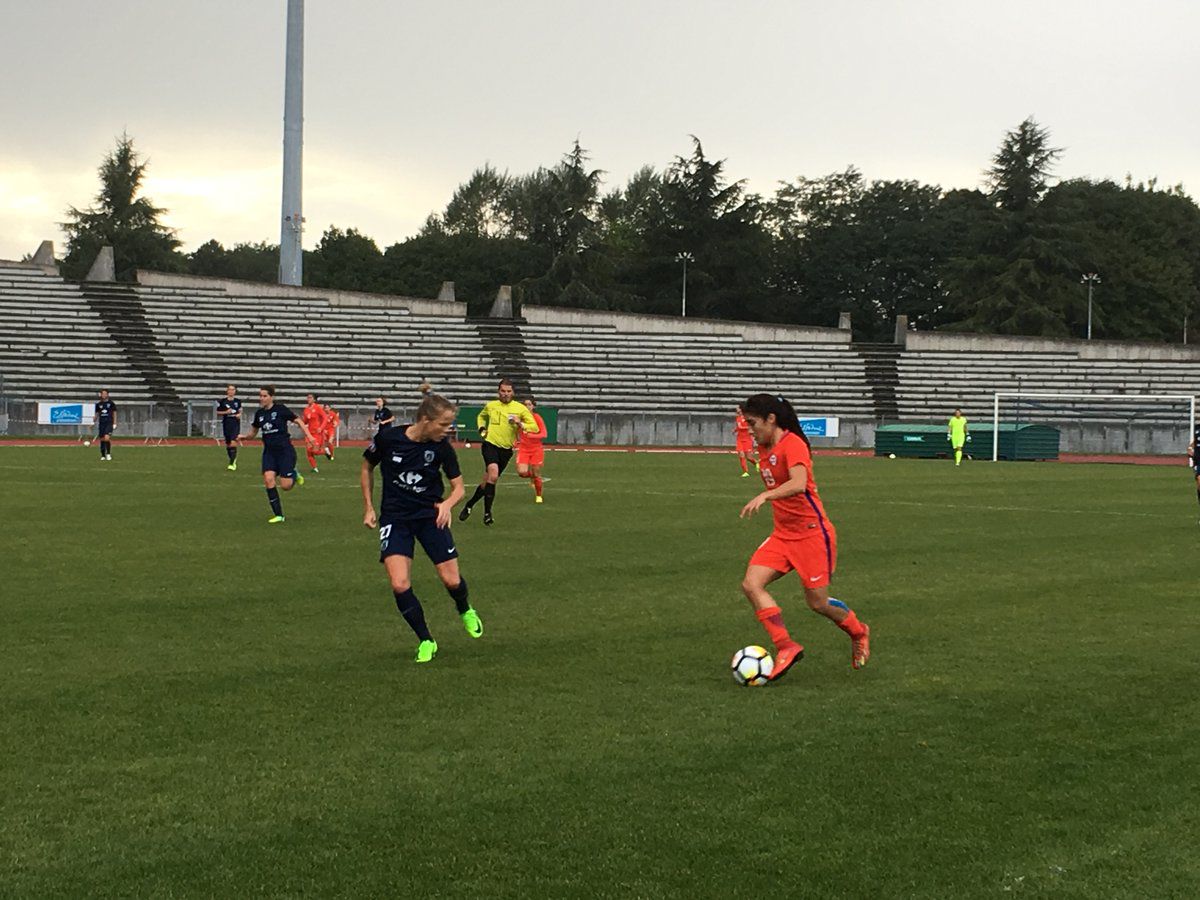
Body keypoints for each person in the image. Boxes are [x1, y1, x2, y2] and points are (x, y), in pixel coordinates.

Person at [738, 393, 870, 681]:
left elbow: (798, 484)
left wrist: (765, 495)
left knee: (818, 603)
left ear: (771, 419)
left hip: (812, 535)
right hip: (783, 535)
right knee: (751, 584)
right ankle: (786, 646)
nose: (749, 429)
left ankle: (859, 632)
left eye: (752, 423)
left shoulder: (793, 444)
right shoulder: (764, 446)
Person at [361, 393, 483, 663]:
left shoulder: (442, 448)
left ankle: (464, 608)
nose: (447, 430)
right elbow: (367, 466)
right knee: (399, 583)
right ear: (425, 420)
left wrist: (448, 504)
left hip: (430, 517)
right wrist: (369, 506)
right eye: (443, 424)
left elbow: (459, 487)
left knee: (451, 579)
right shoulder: (388, 439)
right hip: (395, 519)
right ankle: (426, 640)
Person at [458, 379, 538, 526]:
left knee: (487, 482)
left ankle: (469, 505)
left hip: (506, 450)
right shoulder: (491, 405)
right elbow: (481, 416)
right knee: (493, 475)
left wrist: (520, 423)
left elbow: (534, 427)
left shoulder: (520, 409)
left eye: (508, 391)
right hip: (490, 445)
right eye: (503, 391)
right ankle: (487, 514)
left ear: (513, 392)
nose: (506, 394)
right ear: (498, 391)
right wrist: (482, 429)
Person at [237, 385, 316, 524]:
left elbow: (297, 420)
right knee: (268, 479)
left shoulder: (280, 410)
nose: (261, 398)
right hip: (269, 452)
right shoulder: (259, 414)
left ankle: (293, 473)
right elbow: (254, 432)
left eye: (264, 396)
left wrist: (309, 436)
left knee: (285, 486)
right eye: (260, 396)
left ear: (271, 397)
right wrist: (245, 437)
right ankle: (279, 515)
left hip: (285, 451)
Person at [515, 397, 548, 503]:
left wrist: (531, 436)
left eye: (529, 404)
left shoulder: (537, 418)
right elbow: (515, 430)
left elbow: (544, 434)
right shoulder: (520, 419)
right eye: (525, 404)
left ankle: (539, 495)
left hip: (536, 449)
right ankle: (532, 477)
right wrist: (515, 440)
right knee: (521, 472)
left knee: (536, 472)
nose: (527, 406)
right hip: (524, 449)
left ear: (533, 406)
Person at [216, 384, 243, 471]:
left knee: (233, 442)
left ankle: (232, 464)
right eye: (230, 390)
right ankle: (232, 460)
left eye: (233, 390)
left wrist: (239, 414)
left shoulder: (238, 401)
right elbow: (218, 412)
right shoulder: (223, 401)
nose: (231, 391)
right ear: (227, 391)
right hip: (226, 424)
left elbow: (240, 410)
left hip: (235, 424)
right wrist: (226, 412)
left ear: (235, 391)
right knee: (228, 444)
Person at [301, 393, 329, 473]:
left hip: (317, 433)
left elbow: (325, 418)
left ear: (314, 400)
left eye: (310, 397)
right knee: (309, 451)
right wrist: (300, 423)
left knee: (315, 451)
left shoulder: (318, 408)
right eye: (308, 397)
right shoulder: (306, 410)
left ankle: (325, 451)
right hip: (309, 433)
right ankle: (315, 468)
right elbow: (305, 421)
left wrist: (321, 428)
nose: (308, 399)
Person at [734, 405, 757, 477]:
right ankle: (745, 472)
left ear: (741, 409)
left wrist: (747, 428)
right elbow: (738, 426)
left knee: (749, 457)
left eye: (737, 408)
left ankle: (756, 463)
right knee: (741, 455)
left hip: (747, 439)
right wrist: (735, 430)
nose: (736, 409)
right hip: (740, 439)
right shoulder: (737, 417)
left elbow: (751, 425)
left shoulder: (747, 417)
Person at [94, 389, 117, 461]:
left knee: (107, 438)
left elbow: (115, 413)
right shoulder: (99, 404)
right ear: (101, 395)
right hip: (101, 423)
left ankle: (108, 454)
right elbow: (97, 414)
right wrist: (93, 421)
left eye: (105, 394)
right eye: (102, 394)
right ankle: (103, 455)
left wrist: (115, 422)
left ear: (107, 394)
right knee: (102, 439)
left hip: (109, 422)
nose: (104, 395)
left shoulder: (111, 403)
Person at [1188, 422, 1200, 523]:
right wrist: (1190, 448)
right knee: (1199, 483)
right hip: (1198, 461)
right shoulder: (1197, 428)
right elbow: (1195, 442)